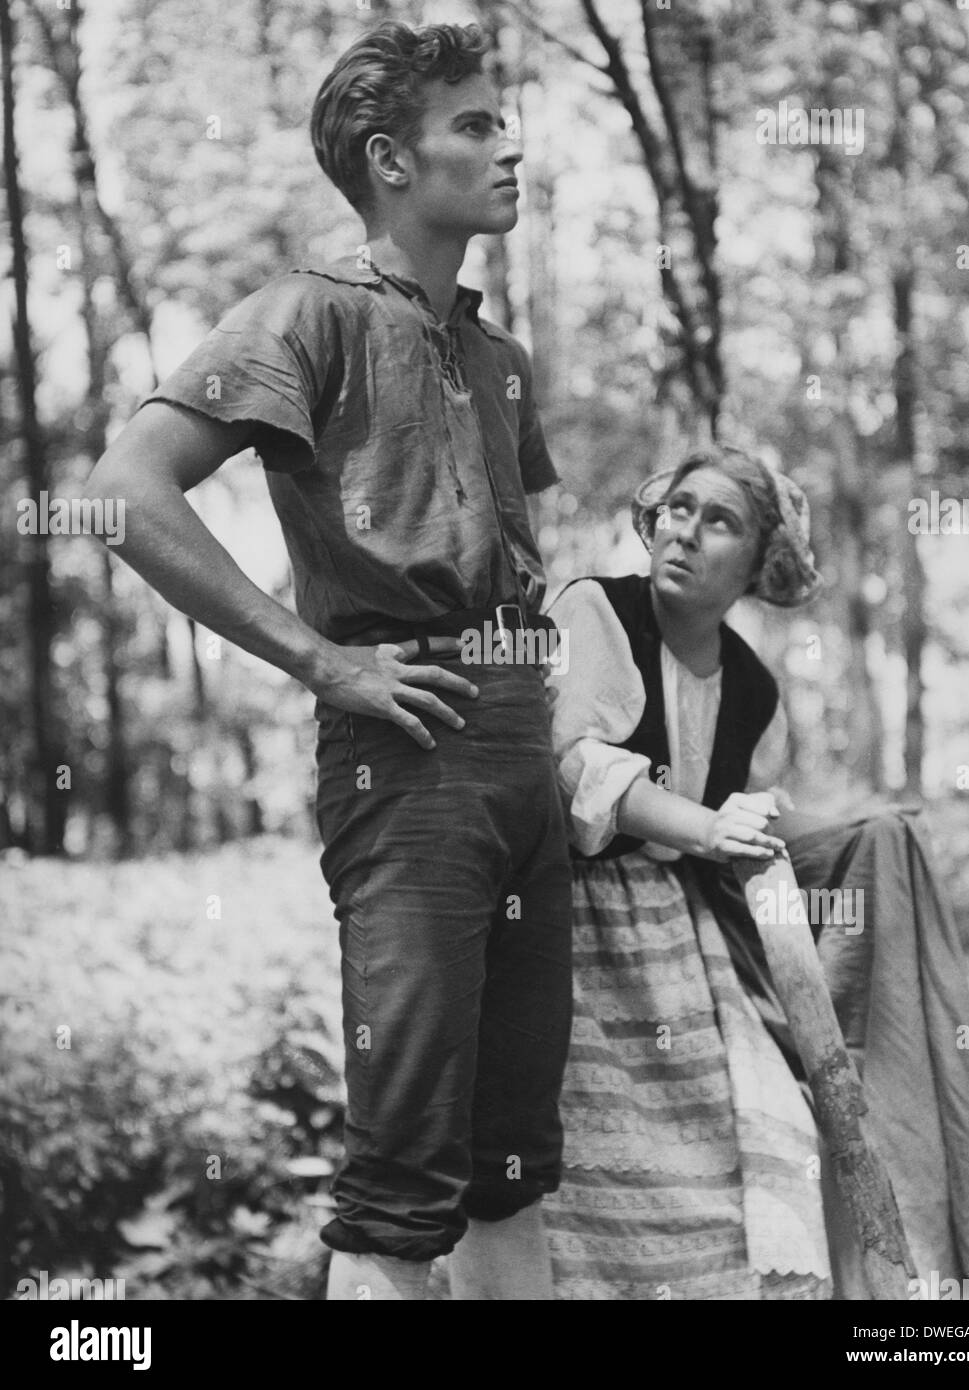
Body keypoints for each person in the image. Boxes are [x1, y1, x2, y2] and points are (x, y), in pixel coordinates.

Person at [84, 20, 572, 1301]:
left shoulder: (496, 356)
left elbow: (526, 560)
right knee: (400, 1174)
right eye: (473, 124)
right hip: (408, 758)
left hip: (528, 758)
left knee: (509, 1162)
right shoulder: (304, 313)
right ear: (388, 160)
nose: (506, 142)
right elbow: (124, 494)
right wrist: (321, 663)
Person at [542, 445, 969, 1299]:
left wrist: (863, 837)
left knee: (749, 1170)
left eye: (717, 520)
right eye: (677, 509)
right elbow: (574, 764)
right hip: (576, 929)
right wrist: (701, 827)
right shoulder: (599, 610)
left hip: (679, 938)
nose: (683, 533)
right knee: (598, 1180)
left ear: (758, 562)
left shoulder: (752, 684)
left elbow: (738, 812)